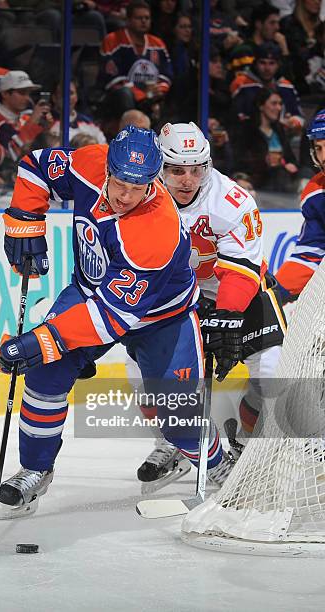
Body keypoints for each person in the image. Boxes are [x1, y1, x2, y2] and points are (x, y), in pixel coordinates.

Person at [0, 125, 229, 519]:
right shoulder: (88, 162)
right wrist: (24, 220)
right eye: (119, 183)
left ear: (154, 182)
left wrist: (41, 341)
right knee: (44, 376)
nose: (125, 196)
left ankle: (219, 465)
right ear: (108, 169)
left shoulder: (157, 229)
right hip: (89, 291)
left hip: (160, 319)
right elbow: (35, 167)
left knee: (178, 415)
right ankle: (35, 469)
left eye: (139, 188)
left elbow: (110, 319)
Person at [132, 121, 286, 486]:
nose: (188, 179)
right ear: (158, 166)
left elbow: (244, 269)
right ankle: (174, 444)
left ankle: (251, 446)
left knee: (273, 371)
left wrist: (227, 318)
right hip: (175, 294)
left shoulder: (232, 200)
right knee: (146, 378)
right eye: (176, 170)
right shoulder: (140, 195)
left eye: (196, 169)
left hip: (239, 289)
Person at [98, 0, 173, 132]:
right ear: (128, 20)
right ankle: (128, 133)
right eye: (139, 18)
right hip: (120, 99)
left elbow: (166, 74)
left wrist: (158, 91)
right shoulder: (113, 40)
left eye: (147, 18)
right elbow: (113, 78)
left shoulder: (158, 44)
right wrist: (141, 95)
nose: (144, 21)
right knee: (124, 94)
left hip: (151, 96)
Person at [276, 109, 325, 301]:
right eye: (319, 148)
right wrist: (279, 289)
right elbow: (312, 252)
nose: (323, 157)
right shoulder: (315, 193)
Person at [231, 88, 299, 192]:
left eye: (280, 104)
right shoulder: (247, 129)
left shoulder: (280, 130)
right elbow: (238, 161)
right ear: (261, 106)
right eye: (274, 103)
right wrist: (265, 161)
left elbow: (291, 160)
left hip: (281, 183)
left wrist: (289, 164)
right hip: (256, 184)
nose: (279, 108)